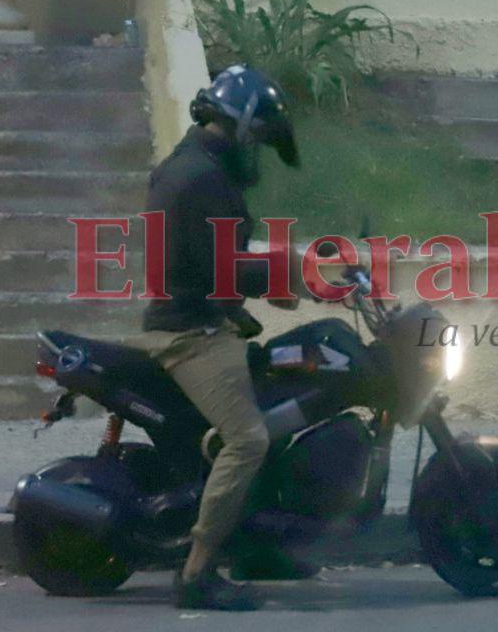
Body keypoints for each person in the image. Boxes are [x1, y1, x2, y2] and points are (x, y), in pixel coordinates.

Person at [131, 65, 303, 611]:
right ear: (242, 128)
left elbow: (208, 259)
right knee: (249, 439)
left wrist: (260, 289)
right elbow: (220, 267)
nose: (258, 152)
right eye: (259, 139)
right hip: (188, 334)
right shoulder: (200, 177)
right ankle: (198, 572)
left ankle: (258, 548)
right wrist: (290, 271)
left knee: (282, 408)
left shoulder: (195, 165)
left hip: (207, 319)